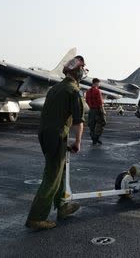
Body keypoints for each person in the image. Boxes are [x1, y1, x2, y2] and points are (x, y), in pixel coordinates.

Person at [25, 55, 87, 231]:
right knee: (52, 177)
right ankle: (36, 218)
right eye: (83, 69)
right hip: (57, 137)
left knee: (61, 170)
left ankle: (62, 206)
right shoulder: (73, 91)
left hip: (46, 135)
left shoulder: (55, 88)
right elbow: (78, 121)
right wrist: (78, 142)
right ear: (78, 72)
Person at [85, 78, 106, 145]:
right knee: (101, 124)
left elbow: (86, 101)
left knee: (92, 125)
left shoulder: (87, 91)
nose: (99, 85)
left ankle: (94, 139)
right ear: (96, 83)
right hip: (98, 109)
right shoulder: (97, 91)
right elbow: (100, 102)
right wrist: (103, 111)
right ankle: (96, 138)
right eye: (99, 83)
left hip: (91, 110)